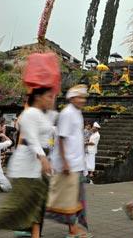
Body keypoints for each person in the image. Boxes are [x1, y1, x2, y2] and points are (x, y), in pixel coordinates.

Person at [0, 87, 54, 238]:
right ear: (39, 97)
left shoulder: (42, 115)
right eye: (49, 96)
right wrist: (42, 157)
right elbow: (31, 138)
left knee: (36, 205)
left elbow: (48, 133)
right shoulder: (29, 114)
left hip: (37, 168)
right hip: (25, 167)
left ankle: (35, 235)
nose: (51, 99)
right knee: (13, 207)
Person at [46, 85, 92, 238]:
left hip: (76, 163)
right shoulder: (67, 113)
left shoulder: (77, 113)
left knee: (75, 197)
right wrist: (65, 162)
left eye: (84, 97)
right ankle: (72, 230)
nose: (82, 100)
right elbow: (62, 138)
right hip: (68, 164)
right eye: (79, 97)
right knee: (68, 198)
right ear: (72, 98)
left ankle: (74, 227)